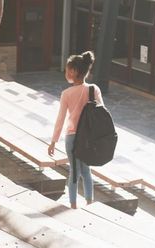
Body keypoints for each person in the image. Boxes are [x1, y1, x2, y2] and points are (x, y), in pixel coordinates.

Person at [48, 51, 104, 209]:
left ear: (74, 72)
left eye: (67, 70)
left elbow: (60, 119)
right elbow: (102, 114)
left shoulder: (66, 94)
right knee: (86, 171)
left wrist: (53, 141)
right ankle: (89, 202)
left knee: (74, 172)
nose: (66, 73)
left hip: (72, 137)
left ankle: (73, 205)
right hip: (88, 138)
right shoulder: (94, 90)